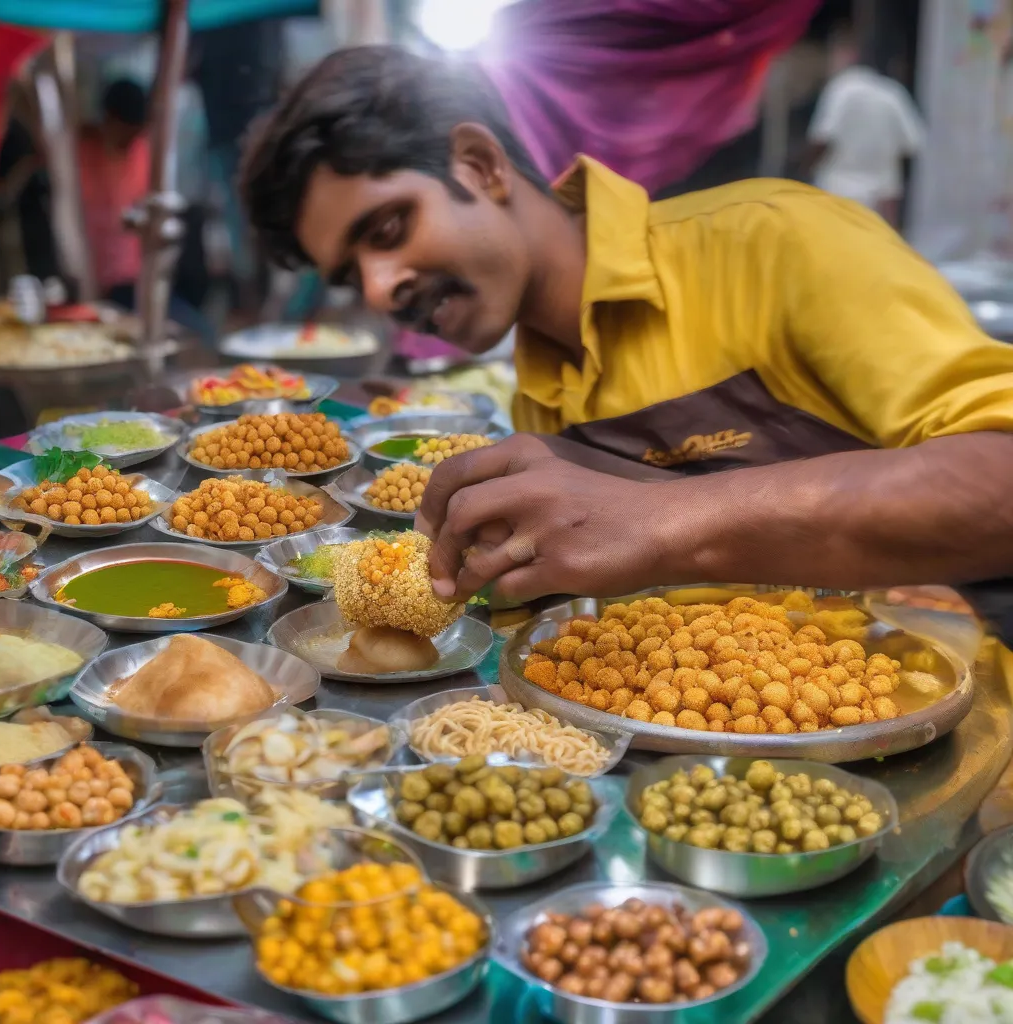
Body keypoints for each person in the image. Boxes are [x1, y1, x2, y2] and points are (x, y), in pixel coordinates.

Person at [240, 47, 1013, 640]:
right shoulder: (539, 392)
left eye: (388, 228)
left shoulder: (774, 243)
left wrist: (665, 519)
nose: (380, 291)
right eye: (352, 275)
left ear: (479, 165)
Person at [805, 24, 924, 228]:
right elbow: (913, 144)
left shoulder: (841, 88)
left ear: (850, 54)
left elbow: (822, 138)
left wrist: (802, 173)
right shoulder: (892, 93)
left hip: (837, 195)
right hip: (879, 202)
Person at [77, 78, 150, 308]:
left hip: (134, 284)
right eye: (125, 134)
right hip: (87, 285)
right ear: (108, 121)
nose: (130, 141)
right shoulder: (78, 153)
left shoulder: (142, 152)